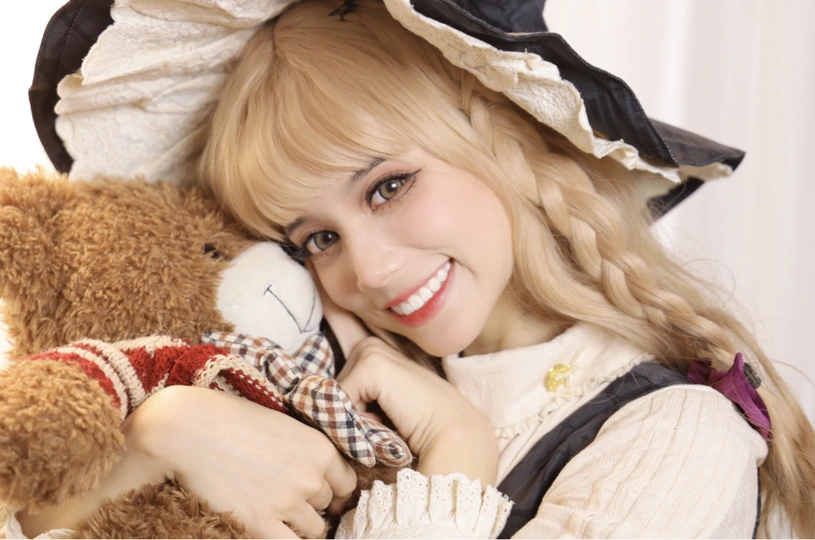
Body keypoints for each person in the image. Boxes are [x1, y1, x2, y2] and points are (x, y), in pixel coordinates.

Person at [6, 0, 814, 538]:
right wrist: (163, 432)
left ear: (503, 138)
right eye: (315, 238)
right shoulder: (320, 380)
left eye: (388, 187)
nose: (368, 267)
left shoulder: (675, 439)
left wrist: (457, 449)